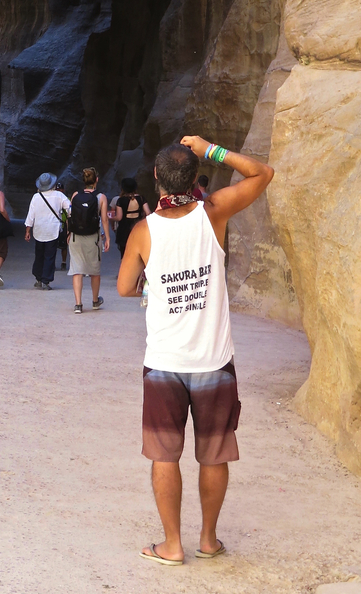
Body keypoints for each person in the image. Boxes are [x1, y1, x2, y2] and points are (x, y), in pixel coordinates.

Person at [117, 136, 274, 566]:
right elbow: (263, 173)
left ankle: (171, 545)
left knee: (165, 455)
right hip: (214, 362)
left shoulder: (144, 231)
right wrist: (211, 149)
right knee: (214, 453)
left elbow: (124, 287)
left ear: (156, 179)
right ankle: (207, 539)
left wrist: (157, 284)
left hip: (165, 362)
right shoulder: (214, 213)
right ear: (194, 177)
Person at [68, 168, 110, 313]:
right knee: (94, 270)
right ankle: (94, 300)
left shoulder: (75, 195)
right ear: (96, 180)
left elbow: (70, 216)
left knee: (77, 269)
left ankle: (78, 304)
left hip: (76, 236)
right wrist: (108, 237)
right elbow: (104, 219)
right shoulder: (101, 197)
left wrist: (68, 233)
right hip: (93, 237)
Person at [24, 173, 71, 290]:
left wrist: (27, 231)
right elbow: (70, 209)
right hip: (53, 231)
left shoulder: (36, 197)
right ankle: (46, 281)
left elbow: (31, 215)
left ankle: (38, 279)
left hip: (39, 230)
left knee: (39, 255)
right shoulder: (59, 196)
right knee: (50, 256)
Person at [114, 178, 150, 257]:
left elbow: (119, 217)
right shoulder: (141, 198)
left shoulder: (121, 200)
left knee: (125, 255)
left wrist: (111, 217)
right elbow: (148, 213)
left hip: (124, 230)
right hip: (138, 228)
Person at [55, 181, 70, 270]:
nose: (59, 191)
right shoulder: (52, 200)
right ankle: (52, 263)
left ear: (63, 190)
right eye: (57, 189)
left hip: (64, 225)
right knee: (53, 245)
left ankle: (63, 262)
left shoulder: (67, 199)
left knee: (64, 246)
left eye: (60, 189)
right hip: (54, 225)